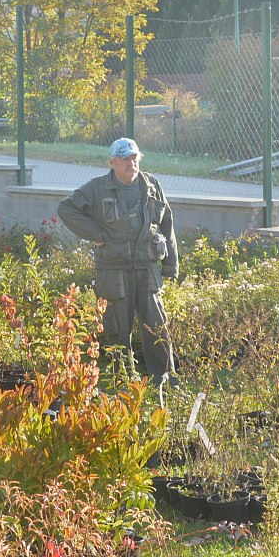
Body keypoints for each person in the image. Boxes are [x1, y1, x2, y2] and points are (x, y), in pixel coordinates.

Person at [58, 137, 179, 380]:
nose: (131, 163)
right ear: (113, 162)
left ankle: (165, 379)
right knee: (118, 328)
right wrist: (97, 235)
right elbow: (66, 209)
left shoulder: (151, 185)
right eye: (125, 159)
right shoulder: (97, 188)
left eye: (134, 158)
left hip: (147, 267)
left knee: (156, 325)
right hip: (114, 269)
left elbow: (167, 223)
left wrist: (171, 264)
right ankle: (123, 380)